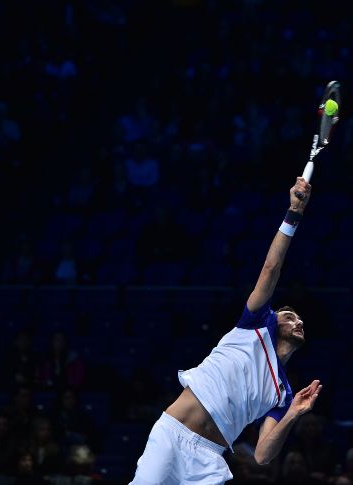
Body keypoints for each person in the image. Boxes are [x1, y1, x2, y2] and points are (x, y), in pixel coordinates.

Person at [130, 176, 323, 484]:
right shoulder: (254, 325)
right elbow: (271, 268)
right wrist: (294, 214)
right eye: (289, 316)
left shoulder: (283, 393)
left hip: (208, 459)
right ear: (274, 320)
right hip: (172, 434)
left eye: (300, 320)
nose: (297, 321)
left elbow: (262, 455)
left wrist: (294, 414)